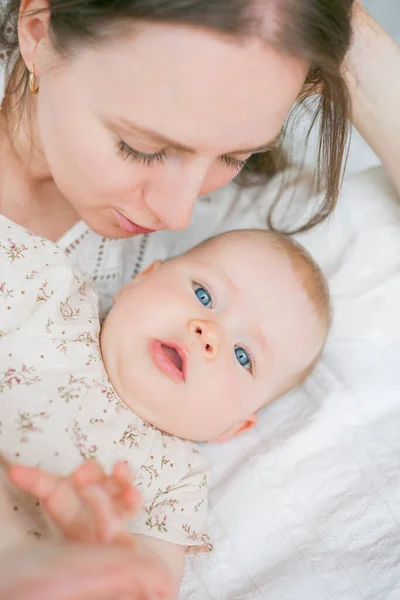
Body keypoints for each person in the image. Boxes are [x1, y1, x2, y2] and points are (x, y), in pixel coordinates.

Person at [0, 0, 399, 597]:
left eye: (236, 156)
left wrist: (325, 17)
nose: (176, 209)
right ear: (38, 34)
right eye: (141, 145)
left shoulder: (225, 241)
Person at [0, 214, 330, 598]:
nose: (209, 332)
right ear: (142, 279)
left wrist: (102, 553)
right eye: (204, 294)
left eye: (243, 356)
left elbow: (151, 580)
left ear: (232, 428)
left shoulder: (177, 477)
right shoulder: (51, 292)